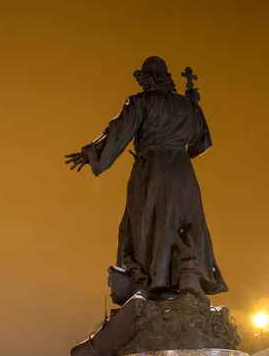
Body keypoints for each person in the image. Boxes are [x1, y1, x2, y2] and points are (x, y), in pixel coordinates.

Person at [65, 57, 227, 306]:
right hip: (183, 171)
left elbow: (118, 130)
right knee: (185, 222)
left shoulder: (141, 102)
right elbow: (201, 143)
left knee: (147, 223)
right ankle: (188, 277)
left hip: (152, 168)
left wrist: (91, 154)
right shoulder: (187, 106)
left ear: (147, 78)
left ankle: (152, 283)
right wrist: (192, 110)